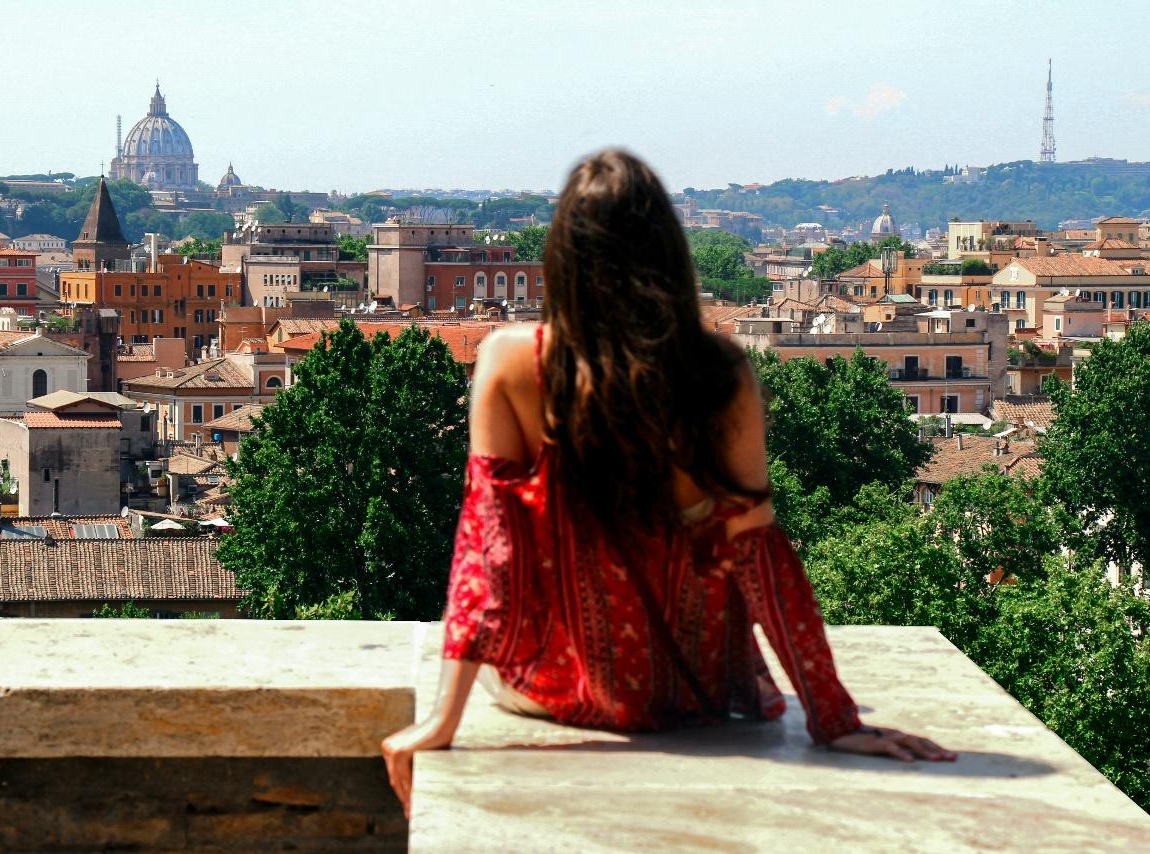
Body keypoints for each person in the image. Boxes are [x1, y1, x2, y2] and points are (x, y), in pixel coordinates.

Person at [381, 149, 954, 817]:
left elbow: (489, 555)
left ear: (563, 261)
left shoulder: (510, 362)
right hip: (697, 692)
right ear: (670, 256)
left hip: (559, 688)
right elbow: (758, 554)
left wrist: (441, 726)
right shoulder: (719, 372)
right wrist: (833, 717)